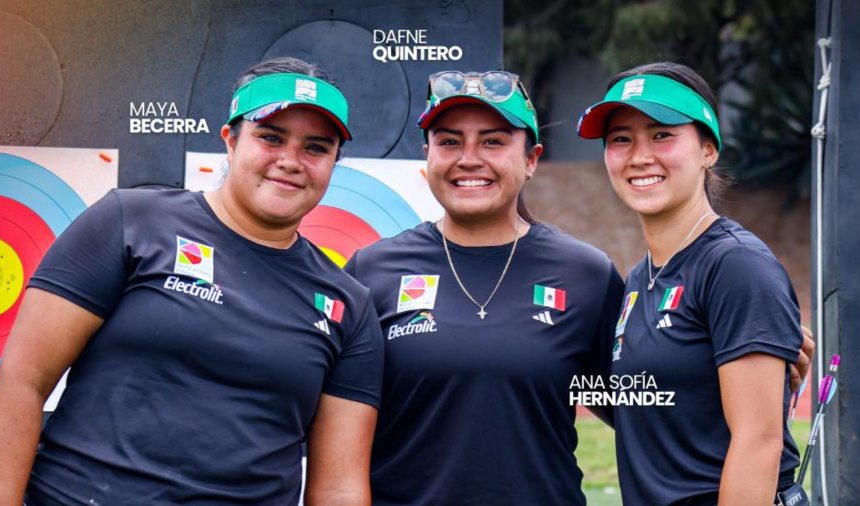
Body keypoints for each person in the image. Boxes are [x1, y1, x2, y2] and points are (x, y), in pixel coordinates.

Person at [0, 57, 383, 506]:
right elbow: (20, 381)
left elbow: (338, 486)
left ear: (333, 163)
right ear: (229, 140)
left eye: (316, 148)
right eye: (270, 137)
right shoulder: (131, 221)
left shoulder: (348, 302)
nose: (290, 161)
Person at [345, 70, 625, 505]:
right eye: (450, 141)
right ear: (428, 155)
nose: (469, 158)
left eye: (493, 141)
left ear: (531, 159)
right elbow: (337, 437)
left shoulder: (586, 274)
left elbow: (639, 414)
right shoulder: (371, 270)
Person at [577, 61, 806, 505]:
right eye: (621, 138)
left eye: (662, 134)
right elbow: (652, 404)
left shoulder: (735, 265)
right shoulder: (642, 277)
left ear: (708, 149)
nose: (640, 155)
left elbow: (758, 445)